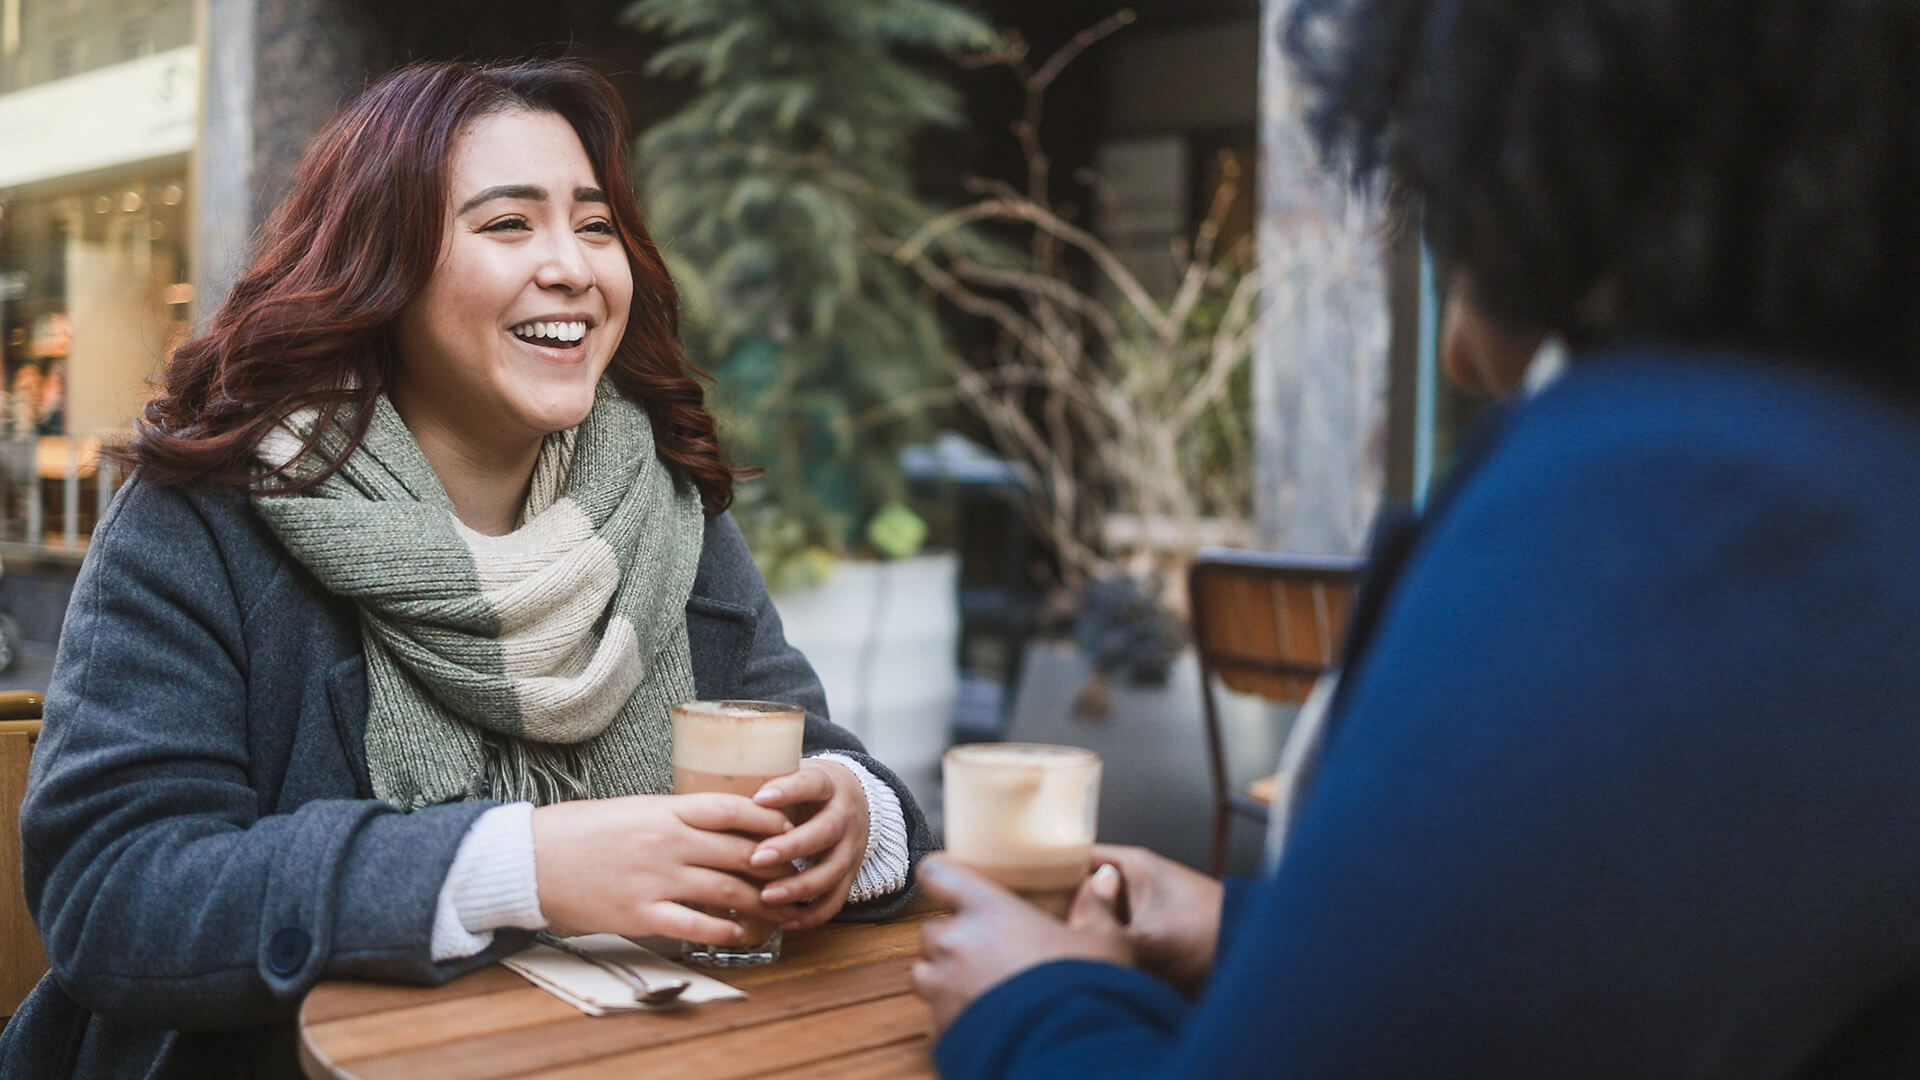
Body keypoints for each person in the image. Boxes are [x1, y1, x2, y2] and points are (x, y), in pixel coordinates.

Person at [911, 1, 1920, 1076]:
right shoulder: (1844, 484)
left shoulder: (1676, 506)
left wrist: (1035, 1003)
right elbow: (1615, 971)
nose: (1455, 358)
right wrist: (1254, 933)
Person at [0, 59, 930, 1079]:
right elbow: (117, 893)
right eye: (508, 225)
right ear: (379, 268)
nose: (572, 265)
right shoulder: (207, 515)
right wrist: (522, 867)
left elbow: (839, 770)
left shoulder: (667, 509)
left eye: (594, 224)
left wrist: (849, 813)